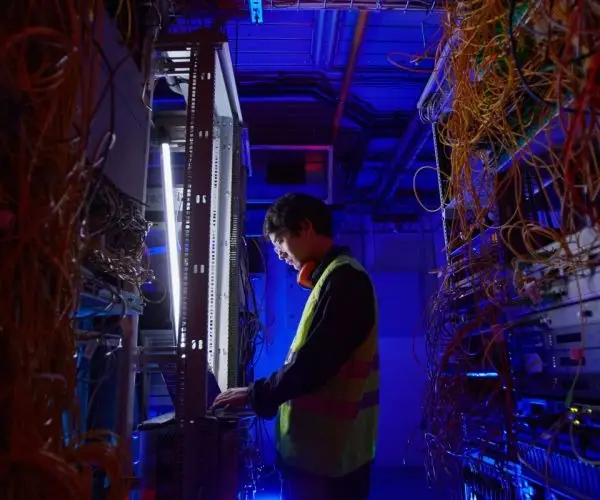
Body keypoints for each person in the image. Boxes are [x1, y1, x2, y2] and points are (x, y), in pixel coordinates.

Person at [212, 193, 379, 500]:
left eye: (280, 242)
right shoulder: (331, 279)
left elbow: (316, 362)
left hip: (329, 463)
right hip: (322, 458)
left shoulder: (345, 280)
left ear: (304, 228)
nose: (278, 254)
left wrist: (255, 394)